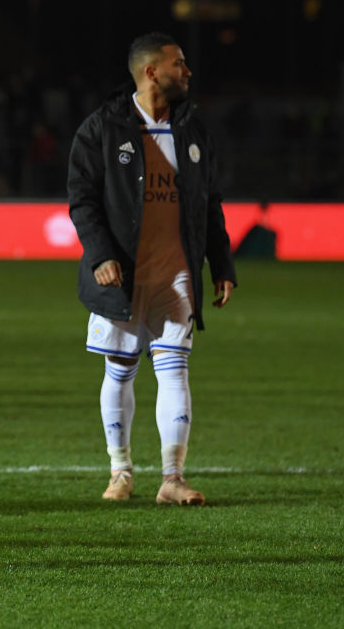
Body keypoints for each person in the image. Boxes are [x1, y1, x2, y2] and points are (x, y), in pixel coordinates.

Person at [67, 31, 236, 506]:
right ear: (150, 71)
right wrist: (100, 256)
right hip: (122, 271)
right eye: (178, 63)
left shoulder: (194, 129)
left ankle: (172, 478)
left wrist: (220, 264)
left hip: (175, 270)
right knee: (119, 372)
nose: (187, 71)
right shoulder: (102, 128)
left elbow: (210, 202)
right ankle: (120, 471)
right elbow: (82, 200)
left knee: (174, 369)